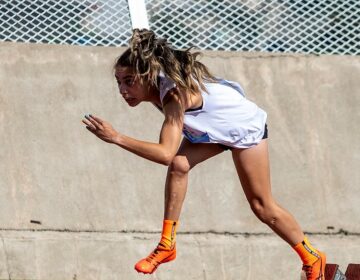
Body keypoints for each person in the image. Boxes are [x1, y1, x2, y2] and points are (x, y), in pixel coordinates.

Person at [82, 29, 326, 279]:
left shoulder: (174, 96)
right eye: (119, 82)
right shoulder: (160, 88)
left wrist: (116, 138)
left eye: (129, 81)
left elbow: (164, 152)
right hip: (212, 129)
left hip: (242, 127)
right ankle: (167, 244)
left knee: (262, 206)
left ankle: (312, 257)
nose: (123, 90)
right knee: (180, 165)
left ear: (149, 76)